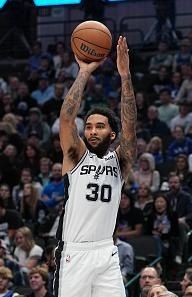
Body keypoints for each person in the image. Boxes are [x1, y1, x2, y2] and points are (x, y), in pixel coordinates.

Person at [53, 36, 136, 297]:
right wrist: (84, 72)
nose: (92, 131)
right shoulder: (76, 156)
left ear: (112, 134)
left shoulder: (119, 161)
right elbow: (66, 119)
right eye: (88, 126)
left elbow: (130, 127)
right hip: (74, 252)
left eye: (99, 126)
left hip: (105, 252)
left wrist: (125, 77)